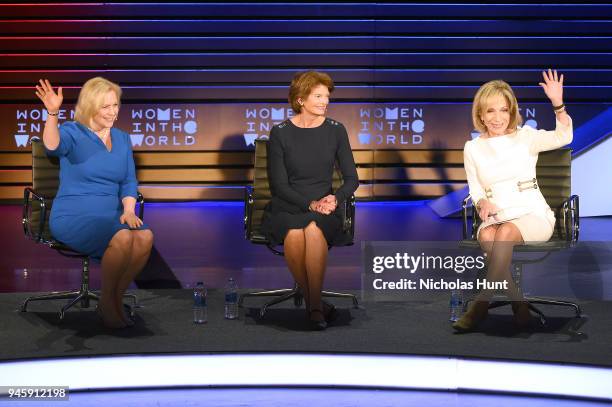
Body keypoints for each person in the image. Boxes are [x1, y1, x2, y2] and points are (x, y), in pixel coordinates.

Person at [454, 69, 572, 332]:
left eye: (503, 110)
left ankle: (480, 306)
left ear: (512, 111)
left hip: (531, 212)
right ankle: (519, 304)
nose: (497, 118)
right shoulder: (472, 147)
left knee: (504, 233)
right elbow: (475, 188)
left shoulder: (526, 137)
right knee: (487, 236)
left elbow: (564, 137)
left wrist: (558, 103)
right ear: (481, 114)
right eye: (490, 111)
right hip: (497, 212)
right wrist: (481, 202)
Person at [35, 77, 154, 329]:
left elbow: (128, 181)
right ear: (90, 106)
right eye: (106, 107)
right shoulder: (72, 132)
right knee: (123, 238)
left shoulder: (121, 138)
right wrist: (53, 113)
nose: (113, 112)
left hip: (111, 216)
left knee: (145, 237)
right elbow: (51, 146)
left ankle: (112, 299)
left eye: (116, 105)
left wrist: (129, 210)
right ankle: (109, 307)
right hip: (73, 216)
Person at [261, 71, 359, 330]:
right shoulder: (280, 132)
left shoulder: (336, 130)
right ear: (301, 99)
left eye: (327, 96)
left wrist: (334, 199)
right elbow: (279, 185)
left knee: (313, 230)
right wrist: (310, 204)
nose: (325, 101)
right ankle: (316, 304)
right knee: (294, 233)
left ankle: (313, 306)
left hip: (325, 205)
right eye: (318, 96)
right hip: (288, 204)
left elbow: (351, 179)